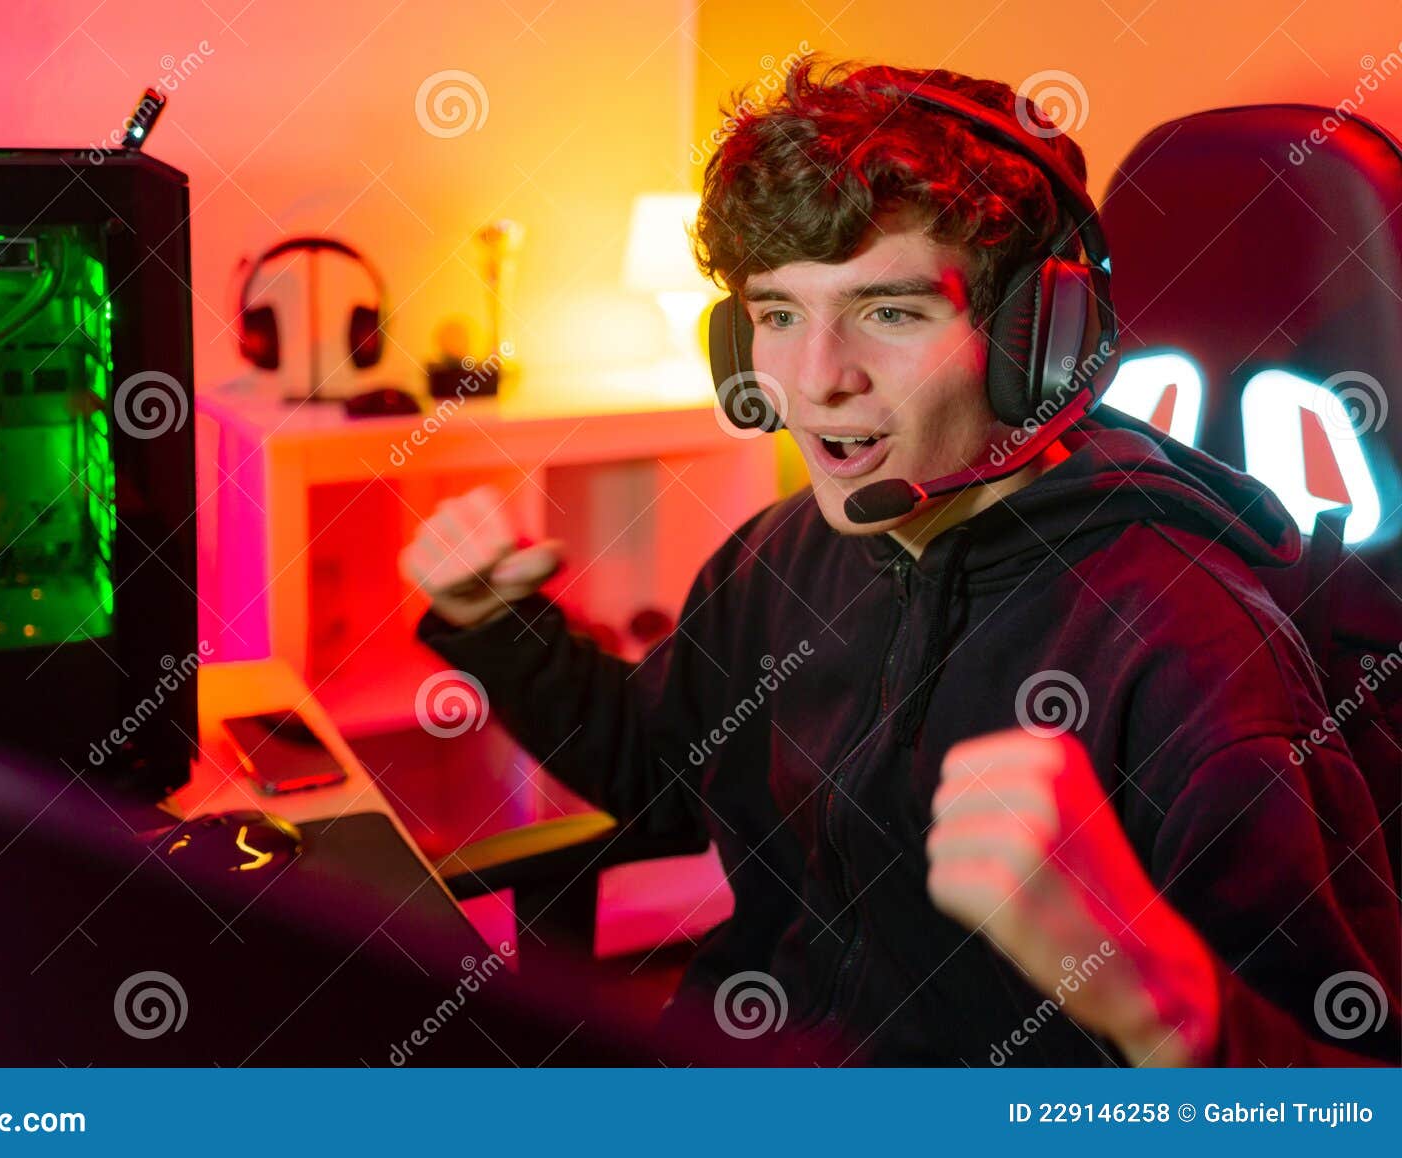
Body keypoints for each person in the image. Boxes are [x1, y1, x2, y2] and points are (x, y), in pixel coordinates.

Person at [398, 56, 1400, 1066]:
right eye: (778, 315)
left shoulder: (1191, 654)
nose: (818, 380)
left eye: (891, 311)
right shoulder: (786, 552)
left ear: (1034, 344)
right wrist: (499, 629)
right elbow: (663, 773)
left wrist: (1154, 997)